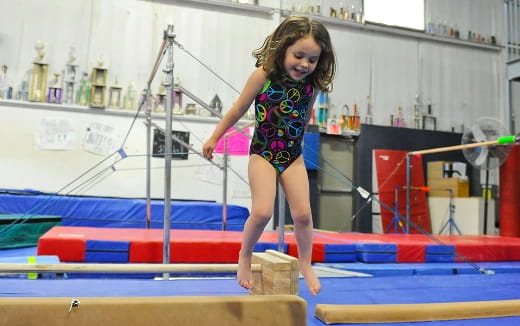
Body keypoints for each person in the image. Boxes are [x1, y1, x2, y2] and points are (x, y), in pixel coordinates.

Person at [202, 16, 336, 296]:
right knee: (262, 211)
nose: (304, 64)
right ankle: (245, 256)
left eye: (312, 60)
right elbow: (238, 109)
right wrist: (215, 137)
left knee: (303, 215)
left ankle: (306, 263)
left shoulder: (312, 87)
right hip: (263, 152)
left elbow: (304, 116)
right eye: (298, 56)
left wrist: (295, 145)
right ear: (283, 48)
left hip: (293, 155)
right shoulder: (263, 75)